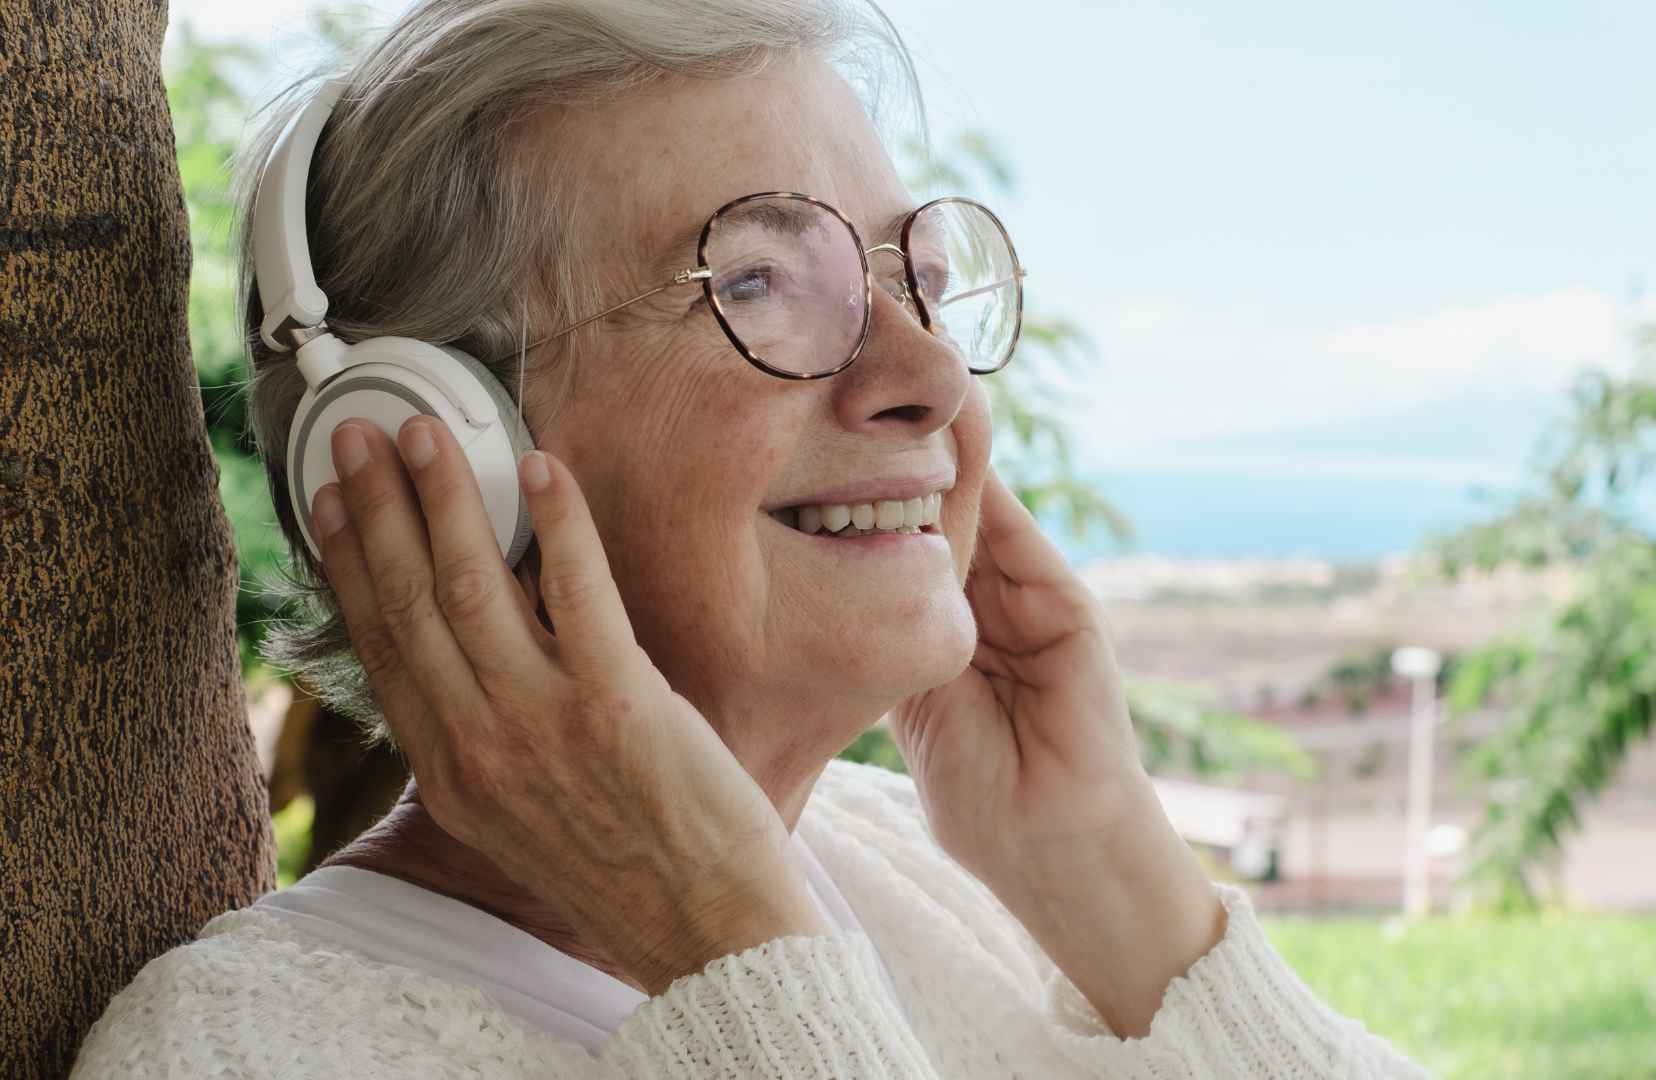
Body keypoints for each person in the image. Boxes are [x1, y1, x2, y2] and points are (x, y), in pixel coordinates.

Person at [73, 0, 1429, 1075]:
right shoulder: (247, 1052)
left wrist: (1115, 882)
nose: (934, 381)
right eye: (762, 282)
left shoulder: (929, 871)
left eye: (922, 283)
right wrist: (733, 956)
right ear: (441, 444)